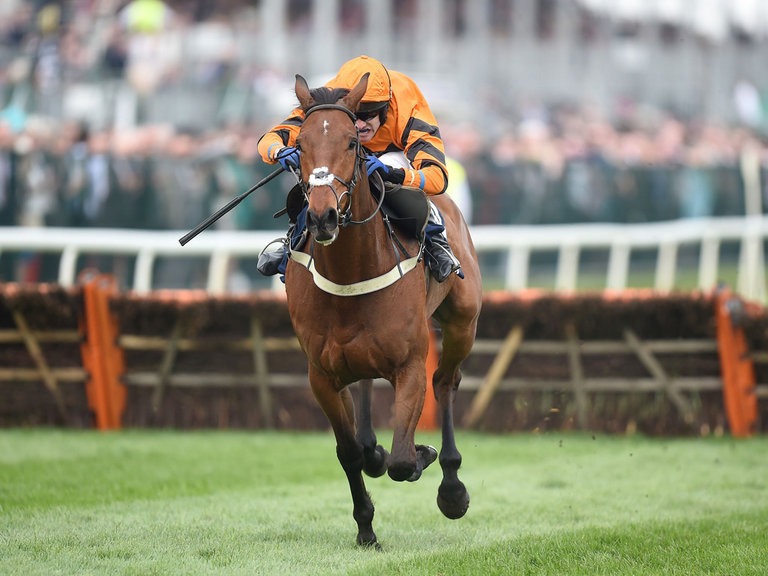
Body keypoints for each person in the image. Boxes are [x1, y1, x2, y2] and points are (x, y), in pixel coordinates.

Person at [256, 55, 462, 282]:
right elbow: (272, 137)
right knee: (319, 172)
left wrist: (393, 173)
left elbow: (437, 178)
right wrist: (278, 151)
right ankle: (293, 243)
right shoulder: (329, 100)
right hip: (346, 151)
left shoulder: (407, 105)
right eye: (356, 117)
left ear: (385, 108)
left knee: (391, 163)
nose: (361, 125)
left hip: (393, 158)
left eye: (369, 115)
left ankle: (435, 239)